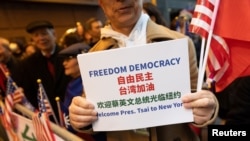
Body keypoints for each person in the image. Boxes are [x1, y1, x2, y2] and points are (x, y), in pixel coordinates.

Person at [69, 0, 219, 141]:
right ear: (101, 4)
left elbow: (197, 95)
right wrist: (81, 117)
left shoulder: (179, 43)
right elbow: (92, 110)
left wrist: (206, 107)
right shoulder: (93, 58)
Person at [15, 20, 71, 123]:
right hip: (48, 120)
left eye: (44, 33)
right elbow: (28, 91)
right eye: (36, 35)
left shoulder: (68, 55)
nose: (41, 38)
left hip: (71, 115)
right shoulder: (27, 64)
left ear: (54, 34)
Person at [59, 42, 106, 141]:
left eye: (68, 59)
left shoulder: (92, 83)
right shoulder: (72, 82)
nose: (64, 63)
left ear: (82, 59)